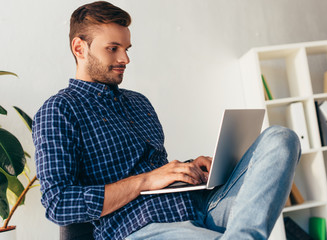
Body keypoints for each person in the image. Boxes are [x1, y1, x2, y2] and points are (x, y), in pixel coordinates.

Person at [32, 1, 301, 239]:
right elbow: (59, 203)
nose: (125, 58)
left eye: (125, 48)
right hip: (141, 227)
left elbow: (156, 172)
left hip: (199, 206)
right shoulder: (59, 110)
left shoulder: (138, 102)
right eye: (112, 48)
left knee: (281, 138)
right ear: (80, 48)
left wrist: (188, 168)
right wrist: (146, 181)